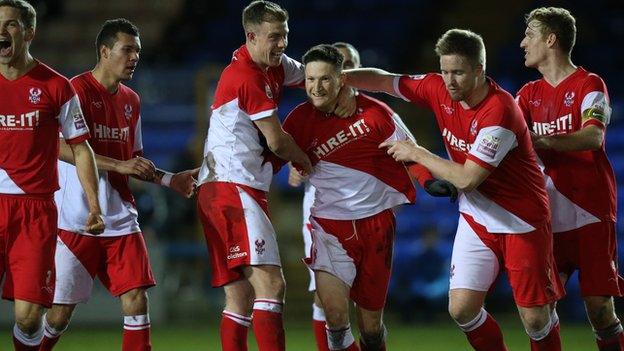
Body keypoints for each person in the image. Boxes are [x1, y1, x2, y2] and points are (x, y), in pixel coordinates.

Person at [346, 28, 565, 350]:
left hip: (521, 221)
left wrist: (417, 152)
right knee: (462, 309)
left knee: (535, 319)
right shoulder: (438, 87)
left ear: (479, 71)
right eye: (445, 71)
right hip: (477, 217)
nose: (450, 81)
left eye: (459, 72)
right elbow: (383, 80)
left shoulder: (499, 111)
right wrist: (337, 77)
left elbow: (467, 179)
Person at [195, 2, 354, 350]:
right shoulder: (246, 76)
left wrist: (347, 85)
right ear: (251, 36)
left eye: (285, 35)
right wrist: (304, 160)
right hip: (233, 188)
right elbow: (277, 140)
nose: (282, 44)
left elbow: (315, 74)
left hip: (225, 187)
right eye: (274, 37)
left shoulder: (275, 65)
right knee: (271, 285)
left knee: (238, 297)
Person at [34, 19, 195, 351]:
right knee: (60, 315)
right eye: (128, 49)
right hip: (77, 219)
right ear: (105, 51)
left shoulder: (131, 100)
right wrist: (120, 164)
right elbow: (59, 147)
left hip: (120, 217)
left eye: (138, 50)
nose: (135, 56)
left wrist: (168, 179)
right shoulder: (73, 90)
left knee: (136, 299)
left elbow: (133, 159)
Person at [282, 44, 455, 351]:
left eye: (324, 79)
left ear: (341, 79)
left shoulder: (377, 113)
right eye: (310, 80)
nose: (316, 87)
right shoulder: (296, 122)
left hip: (376, 225)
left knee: (371, 329)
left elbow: (409, 152)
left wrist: (428, 181)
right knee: (334, 316)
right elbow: (277, 153)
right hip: (329, 227)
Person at [517, 7, 623, 350]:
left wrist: (541, 140)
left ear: (551, 39)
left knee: (600, 311)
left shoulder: (590, 84)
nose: (523, 43)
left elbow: (593, 137)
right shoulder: (527, 95)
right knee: (539, 314)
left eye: (530, 34)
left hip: (590, 213)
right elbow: (505, 136)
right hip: (547, 217)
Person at [0, 1, 104, 350]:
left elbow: (80, 148)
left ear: (29, 33)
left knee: (29, 318)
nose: (1, 31)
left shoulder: (55, 86)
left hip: (35, 211)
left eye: (11, 25)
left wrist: (94, 206)